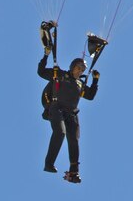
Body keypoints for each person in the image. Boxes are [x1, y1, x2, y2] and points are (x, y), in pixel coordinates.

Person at [38, 44, 99, 183]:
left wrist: (95, 80)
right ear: (72, 67)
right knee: (60, 132)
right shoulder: (59, 74)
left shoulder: (80, 85)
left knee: (74, 140)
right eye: (78, 68)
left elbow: (90, 96)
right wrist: (46, 55)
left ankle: (73, 172)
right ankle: (49, 163)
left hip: (71, 114)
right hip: (57, 108)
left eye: (82, 70)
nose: (80, 71)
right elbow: (41, 72)